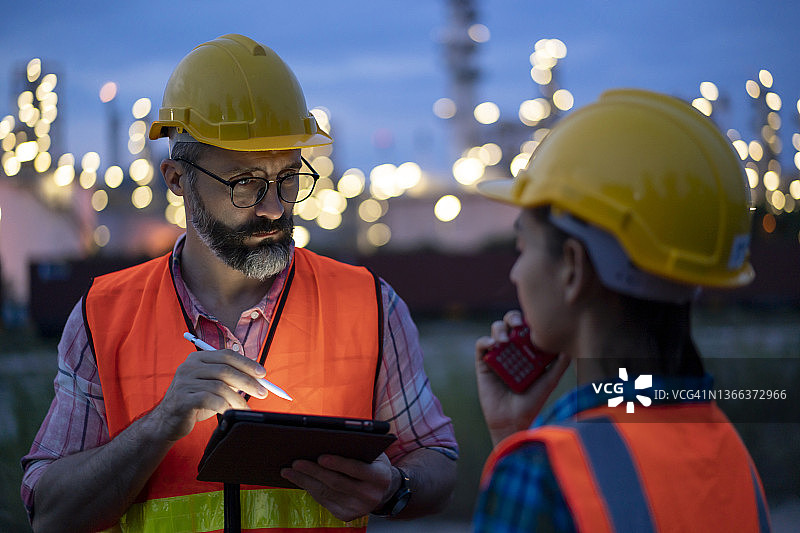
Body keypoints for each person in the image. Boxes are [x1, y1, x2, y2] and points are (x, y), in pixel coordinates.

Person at [21, 34, 457, 532]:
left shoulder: (369, 306)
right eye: (244, 182)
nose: (274, 207)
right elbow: (50, 514)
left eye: (288, 177)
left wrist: (395, 489)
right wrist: (161, 425)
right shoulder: (105, 316)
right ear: (178, 179)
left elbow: (437, 464)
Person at [472, 89, 772, 532]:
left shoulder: (540, 474)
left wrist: (520, 453)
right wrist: (516, 434)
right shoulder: (727, 447)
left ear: (573, 267)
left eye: (522, 246)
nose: (516, 274)